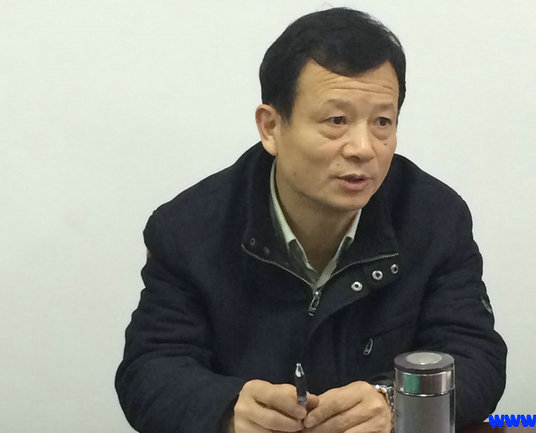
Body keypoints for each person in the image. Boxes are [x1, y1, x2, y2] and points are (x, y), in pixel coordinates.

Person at [115, 7, 507, 433]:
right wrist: (227, 409)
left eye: (382, 122)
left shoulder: (434, 218)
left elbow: (477, 356)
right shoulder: (188, 229)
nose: (363, 148)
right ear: (271, 127)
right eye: (336, 121)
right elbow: (150, 369)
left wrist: (396, 402)